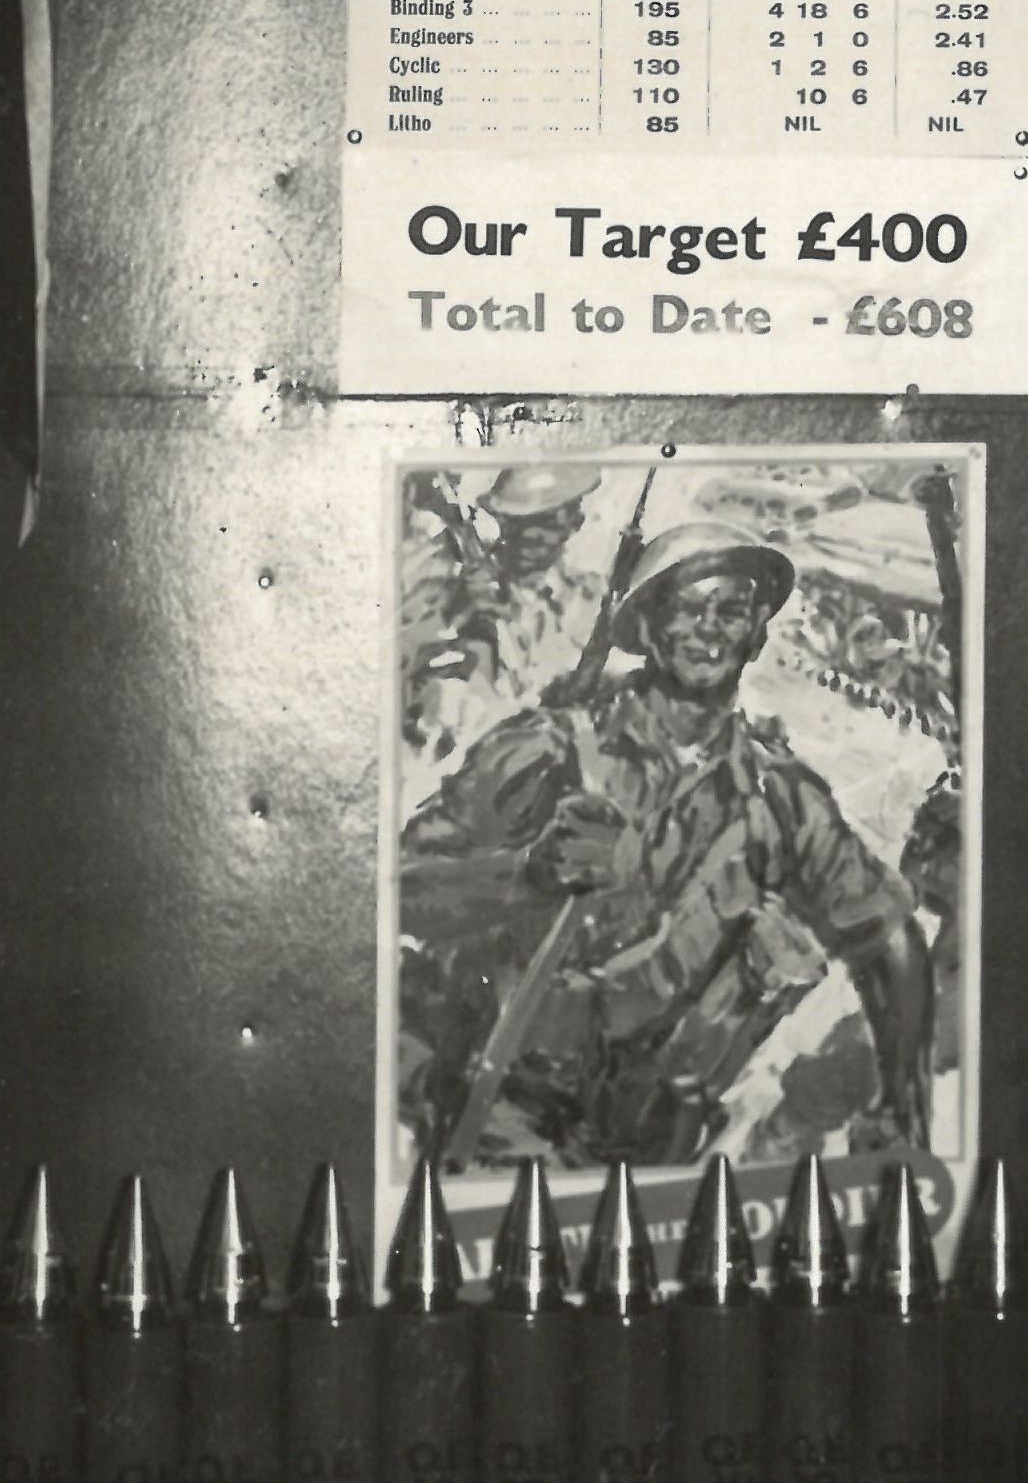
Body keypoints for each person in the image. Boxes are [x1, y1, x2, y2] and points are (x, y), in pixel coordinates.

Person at [400, 515, 932, 1167]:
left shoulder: (780, 796)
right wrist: (526, 874)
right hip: (502, 1110)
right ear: (648, 627)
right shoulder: (547, 748)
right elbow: (396, 893)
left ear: (758, 632)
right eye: (688, 608)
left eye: (732, 609)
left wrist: (903, 1103)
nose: (710, 628)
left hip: (649, 1140)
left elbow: (889, 935)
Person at [397, 458, 602, 754]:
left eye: (545, 522)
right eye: (517, 521)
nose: (529, 535)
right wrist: (464, 611)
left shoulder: (592, 600)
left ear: (575, 522)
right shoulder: (453, 590)